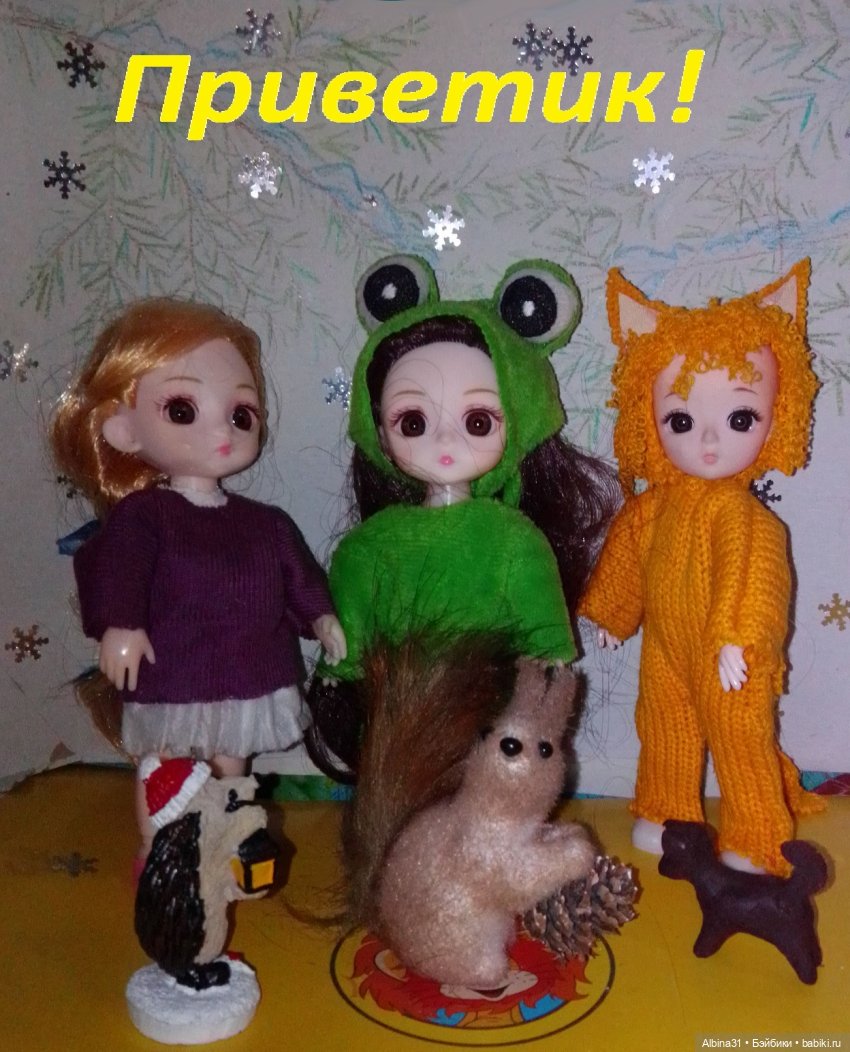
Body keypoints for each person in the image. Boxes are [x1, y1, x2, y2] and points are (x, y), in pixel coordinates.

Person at [51, 298, 345, 864]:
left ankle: (225, 845)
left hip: (248, 671)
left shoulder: (266, 523)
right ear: (123, 429)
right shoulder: (145, 516)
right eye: (183, 410)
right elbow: (120, 568)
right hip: (175, 671)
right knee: (165, 766)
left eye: (241, 414)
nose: (222, 430)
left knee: (232, 764)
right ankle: (159, 849)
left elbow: (298, 575)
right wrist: (120, 624)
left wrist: (321, 617)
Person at [307, 255, 619, 778]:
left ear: (516, 423)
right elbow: (352, 629)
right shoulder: (370, 545)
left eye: (478, 422)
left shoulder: (515, 538)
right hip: (404, 715)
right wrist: (341, 669)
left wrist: (546, 675)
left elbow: (542, 630)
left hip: (491, 710)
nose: (446, 441)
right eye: (413, 422)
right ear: (379, 433)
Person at [579, 260, 825, 876]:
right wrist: (613, 613)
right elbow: (627, 554)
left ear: (778, 414)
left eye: (740, 419)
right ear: (649, 417)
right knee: (664, 727)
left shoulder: (745, 516)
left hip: (727, 653)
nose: (709, 442)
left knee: (740, 737)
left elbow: (756, 579)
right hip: (666, 647)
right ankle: (667, 814)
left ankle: (756, 833)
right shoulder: (652, 508)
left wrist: (739, 639)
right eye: (681, 421)